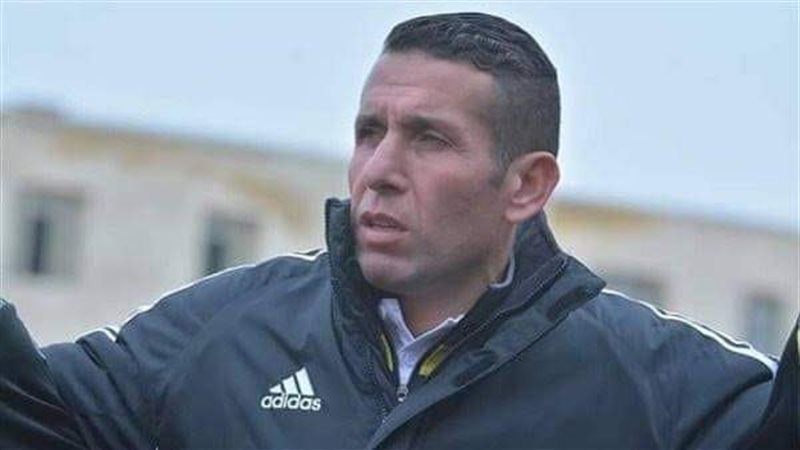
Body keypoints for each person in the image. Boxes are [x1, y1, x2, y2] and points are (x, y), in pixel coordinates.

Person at [1, 12, 797, 449]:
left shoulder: (655, 383)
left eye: (428, 139)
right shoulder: (223, 332)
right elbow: (30, 415)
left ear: (526, 185)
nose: (378, 169)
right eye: (368, 132)